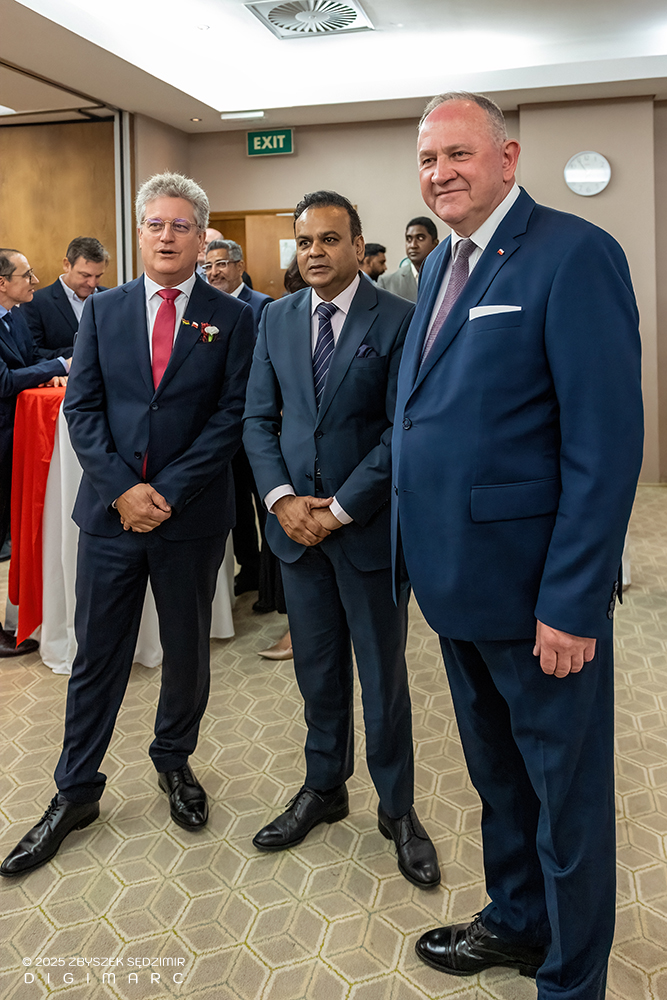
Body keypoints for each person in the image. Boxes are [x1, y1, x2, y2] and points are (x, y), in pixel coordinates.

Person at [392, 92, 643, 997]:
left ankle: (571, 980)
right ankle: (516, 922)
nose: (440, 173)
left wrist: (571, 602)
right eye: (427, 160)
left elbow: (603, 448)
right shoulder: (439, 263)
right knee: (499, 780)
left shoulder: (573, 254)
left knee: (564, 800)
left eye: (458, 154)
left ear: (507, 159)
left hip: (539, 599)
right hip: (457, 586)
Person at [0, 172, 254, 877]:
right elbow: (82, 409)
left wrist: (163, 491)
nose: (167, 236)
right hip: (111, 517)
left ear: (201, 237)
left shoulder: (232, 317)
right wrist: (122, 492)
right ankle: (75, 790)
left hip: (189, 515)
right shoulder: (104, 311)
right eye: (155, 224)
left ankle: (174, 759)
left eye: (181, 226)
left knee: (186, 650)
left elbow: (232, 415)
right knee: (98, 654)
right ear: (139, 233)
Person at [243, 190, 440, 889]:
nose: (316, 252)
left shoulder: (399, 319)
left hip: (366, 532)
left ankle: (397, 809)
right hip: (296, 534)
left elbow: (400, 430)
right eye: (305, 242)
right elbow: (257, 421)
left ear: (358, 246)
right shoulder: (276, 317)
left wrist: (341, 509)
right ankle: (324, 787)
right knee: (317, 673)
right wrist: (282, 500)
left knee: (382, 678)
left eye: (330, 239)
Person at [0, 249, 70, 657]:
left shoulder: (15, 317)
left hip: (15, 439)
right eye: (26, 275)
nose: (35, 281)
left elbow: (30, 360)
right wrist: (60, 364)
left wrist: (64, 362)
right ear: (2, 283)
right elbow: (5, 381)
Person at [204, 238, 272, 597]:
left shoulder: (263, 306)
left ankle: (272, 581)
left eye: (221, 264)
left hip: (256, 421)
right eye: (208, 266)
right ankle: (249, 569)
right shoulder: (206, 309)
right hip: (220, 423)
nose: (214, 272)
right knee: (236, 504)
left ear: (239, 266)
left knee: (265, 501)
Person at [22, 237, 109, 359]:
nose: (92, 283)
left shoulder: (110, 297)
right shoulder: (36, 302)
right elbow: (34, 353)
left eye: (98, 276)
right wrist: (81, 352)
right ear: (67, 265)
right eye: (85, 275)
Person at [378, 218, 438, 301]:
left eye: (420, 238)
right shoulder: (388, 283)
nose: (413, 245)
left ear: (435, 243)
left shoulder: (448, 276)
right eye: (409, 239)